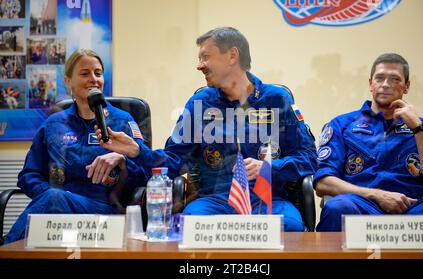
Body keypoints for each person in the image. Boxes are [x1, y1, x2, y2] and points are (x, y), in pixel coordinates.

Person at [97, 27, 317, 232]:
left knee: (289, 227)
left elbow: (308, 157)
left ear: (232, 56)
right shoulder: (200, 103)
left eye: (206, 57)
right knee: (190, 227)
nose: (199, 65)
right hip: (215, 200)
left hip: (269, 199)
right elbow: (173, 160)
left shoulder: (277, 100)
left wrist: (270, 167)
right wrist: (136, 150)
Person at [3, 49, 148, 244]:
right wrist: (52, 195)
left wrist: (122, 161)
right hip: (57, 212)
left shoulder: (122, 121)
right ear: (68, 81)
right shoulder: (53, 124)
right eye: (84, 73)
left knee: (53, 201)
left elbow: (146, 172)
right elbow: (29, 175)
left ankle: (6, 248)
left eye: (98, 73)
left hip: (105, 212)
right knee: (53, 199)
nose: (93, 79)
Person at [314, 53, 423, 231]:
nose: (385, 84)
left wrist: (417, 128)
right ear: (370, 83)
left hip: (413, 210)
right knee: (337, 207)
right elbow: (323, 183)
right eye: (380, 78)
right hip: (362, 206)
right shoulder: (342, 125)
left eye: (394, 79)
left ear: (406, 86)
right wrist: (376, 195)